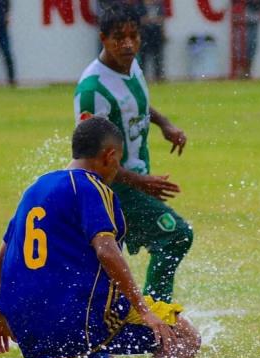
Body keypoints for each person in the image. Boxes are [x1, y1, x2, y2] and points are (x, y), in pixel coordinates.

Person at [0, 117, 203, 358]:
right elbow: (106, 249)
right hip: (72, 321)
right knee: (182, 338)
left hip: (29, 333)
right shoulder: (92, 187)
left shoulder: (36, 188)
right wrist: (144, 309)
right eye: (117, 161)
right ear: (110, 156)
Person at [75, 3, 192, 303]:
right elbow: (91, 156)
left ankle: (124, 319)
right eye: (118, 37)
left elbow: (133, 105)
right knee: (176, 234)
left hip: (135, 181)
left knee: (106, 267)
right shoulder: (93, 89)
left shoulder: (131, 64)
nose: (127, 44)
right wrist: (140, 182)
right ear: (103, 38)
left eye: (133, 36)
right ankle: (156, 314)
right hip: (114, 190)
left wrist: (165, 124)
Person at [140, 0, 166, 82]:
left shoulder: (159, 5)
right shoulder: (140, 6)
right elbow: (139, 20)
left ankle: (158, 77)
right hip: (145, 36)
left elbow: (162, 19)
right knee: (143, 58)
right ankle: (142, 77)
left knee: (158, 58)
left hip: (156, 36)